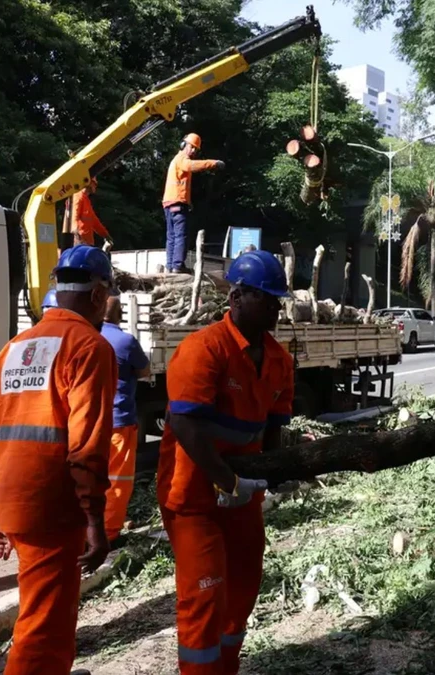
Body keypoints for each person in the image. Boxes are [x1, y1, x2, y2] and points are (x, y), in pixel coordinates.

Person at [0, 245, 117, 674]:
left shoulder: (14, 347)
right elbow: (86, 445)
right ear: (96, 295)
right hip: (52, 506)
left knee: (43, 609)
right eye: (108, 295)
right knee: (44, 625)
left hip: (14, 501)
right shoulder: (90, 347)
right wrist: (95, 519)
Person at [159, 249, 293, 673]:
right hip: (195, 494)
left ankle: (226, 667)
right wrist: (226, 481)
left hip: (242, 494)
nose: (275, 309)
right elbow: (186, 425)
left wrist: (277, 472)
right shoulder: (204, 349)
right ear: (236, 297)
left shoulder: (278, 360)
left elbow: (274, 428)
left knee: (243, 588)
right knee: (204, 594)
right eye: (266, 300)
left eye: (277, 301)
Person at [100, 292, 151, 543]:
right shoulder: (125, 341)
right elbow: (145, 370)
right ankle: (109, 534)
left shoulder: (86, 336)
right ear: (120, 314)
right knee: (118, 481)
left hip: (88, 422)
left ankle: (88, 531)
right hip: (119, 420)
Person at [162, 133, 224, 274]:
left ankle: (170, 266)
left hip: (169, 203)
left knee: (171, 236)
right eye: (192, 147)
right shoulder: (183, 159)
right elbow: (191, 166)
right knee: (180, 235)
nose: (194, 151)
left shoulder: (175, 160)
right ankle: (177, 266)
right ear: (184, 145)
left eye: (196, 149)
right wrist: (213, 163)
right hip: (177, 203)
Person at [72, 178, 110, 247]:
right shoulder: (78, 196)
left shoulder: (86, 200)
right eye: (94, 183)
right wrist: (75, 232)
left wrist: (106, 235)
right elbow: (74, 216)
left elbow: (95, 222)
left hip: (87, 243)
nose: (96, 185)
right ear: (88, 182)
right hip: (80, 242)